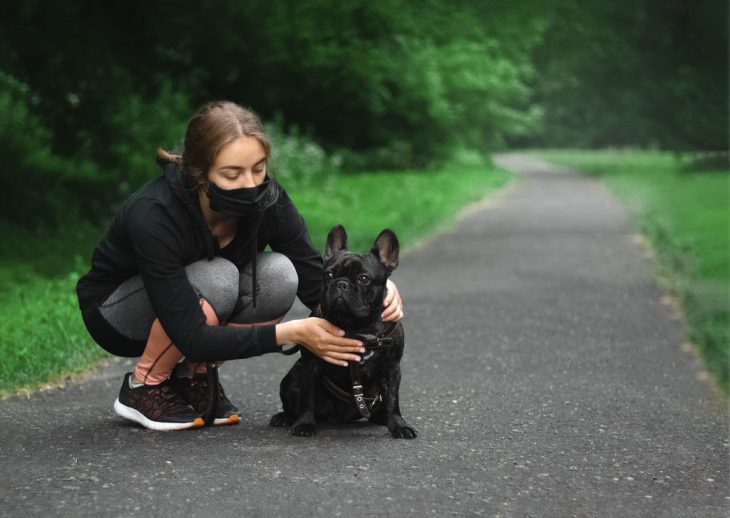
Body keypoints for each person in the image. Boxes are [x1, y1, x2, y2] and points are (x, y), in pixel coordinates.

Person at [76, 101, 404, 431]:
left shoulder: (267, 199)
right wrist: (290, 333)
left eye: (258, 169)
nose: (250, 184)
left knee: (279, 274)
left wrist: (377, 285)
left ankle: (193, 376)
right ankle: (144, 384)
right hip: (116, 313)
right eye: (232, 174)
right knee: (218, 276)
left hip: (194, 307)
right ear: (199, 172)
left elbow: (311, 278)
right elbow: (191, 335)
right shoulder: (153, 214)